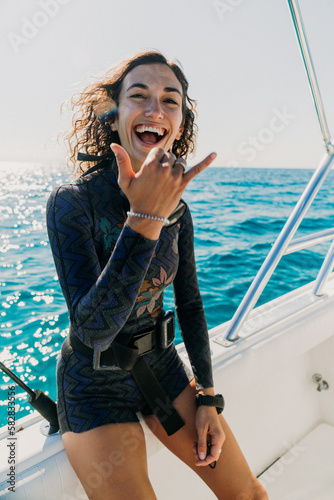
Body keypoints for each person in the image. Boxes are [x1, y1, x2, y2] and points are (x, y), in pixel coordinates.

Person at [47, 51, 267, 500]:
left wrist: (206, 394)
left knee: (249, 495)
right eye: (139, 96)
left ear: (180, 122)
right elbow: (93, 332)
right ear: (114, 117)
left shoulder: (179, 208)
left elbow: (189, 303)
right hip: (94, 382)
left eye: (170, 100)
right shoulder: (72, 203)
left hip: (163, 366)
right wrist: (146, 217)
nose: (155, 110)